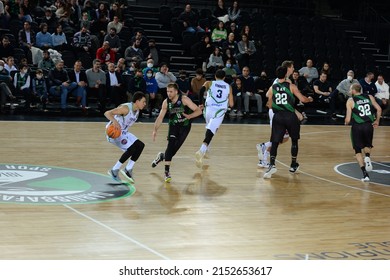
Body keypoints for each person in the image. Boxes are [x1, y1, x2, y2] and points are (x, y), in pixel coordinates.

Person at [263, 65, 313, 179]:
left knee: (275, 142)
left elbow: (269, 104)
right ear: (286, 74)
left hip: (278, 116)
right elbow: (303, 99)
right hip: (290, 116)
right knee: (294, 141)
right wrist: (309, 99)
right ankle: (293, 164)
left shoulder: (272, 87)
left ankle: (272, 165)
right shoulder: (291, 86)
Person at [151, 83, 202, 182]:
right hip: (173, 125)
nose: (168, 94)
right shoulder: (166, 102)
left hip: (185, 126)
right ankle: (167, 172)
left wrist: (190, 116)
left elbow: (198, 111)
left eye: (171, 91)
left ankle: (162, 156)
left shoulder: (184, 99)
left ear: (176, 92)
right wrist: (155, 130)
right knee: (170, 146)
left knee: (173, 151)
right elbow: (160, 117)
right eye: (167, 91)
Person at [195, 69, 234, 167]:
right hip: (219, 111)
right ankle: (201, 150)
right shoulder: (228, 87)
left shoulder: (209, 83)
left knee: (210, 128)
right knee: (212, 130)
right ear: (224, 77)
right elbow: (231, 104)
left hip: (208, 110)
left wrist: (200, 104)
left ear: (215, 76)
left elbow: (201, 92)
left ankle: (207, 149)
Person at [105, 91, 147, 183]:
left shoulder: (137, 111)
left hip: (123, 132)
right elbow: (107, 113)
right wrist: (114, 121)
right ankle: (114, 170)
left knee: (140, 145)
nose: (145, 104)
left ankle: (128, 169)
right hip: (114, 133)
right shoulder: (125, 108)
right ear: (137, 101)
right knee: (131, 149)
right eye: (143, 101)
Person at [345, 83, 381, 182]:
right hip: (369, 125)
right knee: (367, 144)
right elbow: (379, 109)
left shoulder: (350, 100)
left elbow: (348, 119)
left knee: (357, 150)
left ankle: (365, 174)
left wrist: (346, 122)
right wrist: (377, 121)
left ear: (353, 90)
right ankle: (368, 157)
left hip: (357, 127)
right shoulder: (369, 97)